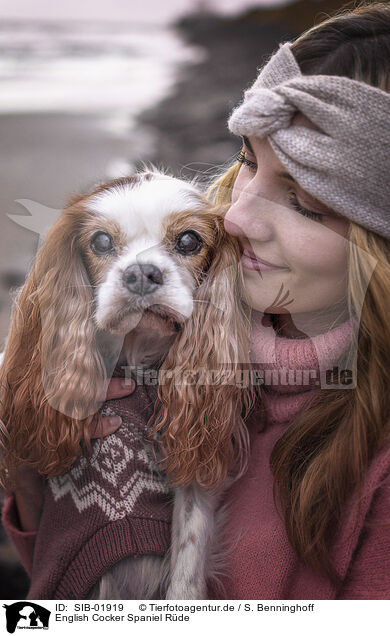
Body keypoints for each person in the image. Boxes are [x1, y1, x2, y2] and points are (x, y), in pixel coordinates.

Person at [2, 0, 390, 599]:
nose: (233, 216)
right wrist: (31, 478)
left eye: (304, 203)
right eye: (246, 162)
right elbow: (65, 587)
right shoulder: (163, 332)